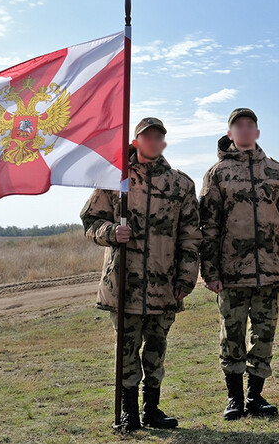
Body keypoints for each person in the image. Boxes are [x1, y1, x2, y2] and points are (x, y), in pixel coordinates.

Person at [80, 117, 201, 431]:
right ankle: (128, 413)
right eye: (145, 136)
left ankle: (152, 410)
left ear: (163, 143)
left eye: (157, 137)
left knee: (157, 349)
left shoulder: (180, 184)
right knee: (127, 349)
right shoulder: (114, 178)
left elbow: (190, 236)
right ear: (135, 141)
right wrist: (111, 232)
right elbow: (91, 223)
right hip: (124, 285)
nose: (152, 141)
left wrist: (186, 278)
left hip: (165, 285)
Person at [199, 108, 279, 420]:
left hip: (270, 272)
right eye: (238, 126)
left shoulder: (277, 172)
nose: (244, 130)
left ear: (257, 132)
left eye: (249, 125)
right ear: (230, 134)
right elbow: (208, 227)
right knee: (231, 336)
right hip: (231, 274)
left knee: (264, 335)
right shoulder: (217, 174)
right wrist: (211, 271)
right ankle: (235, 399)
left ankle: (256, 397)